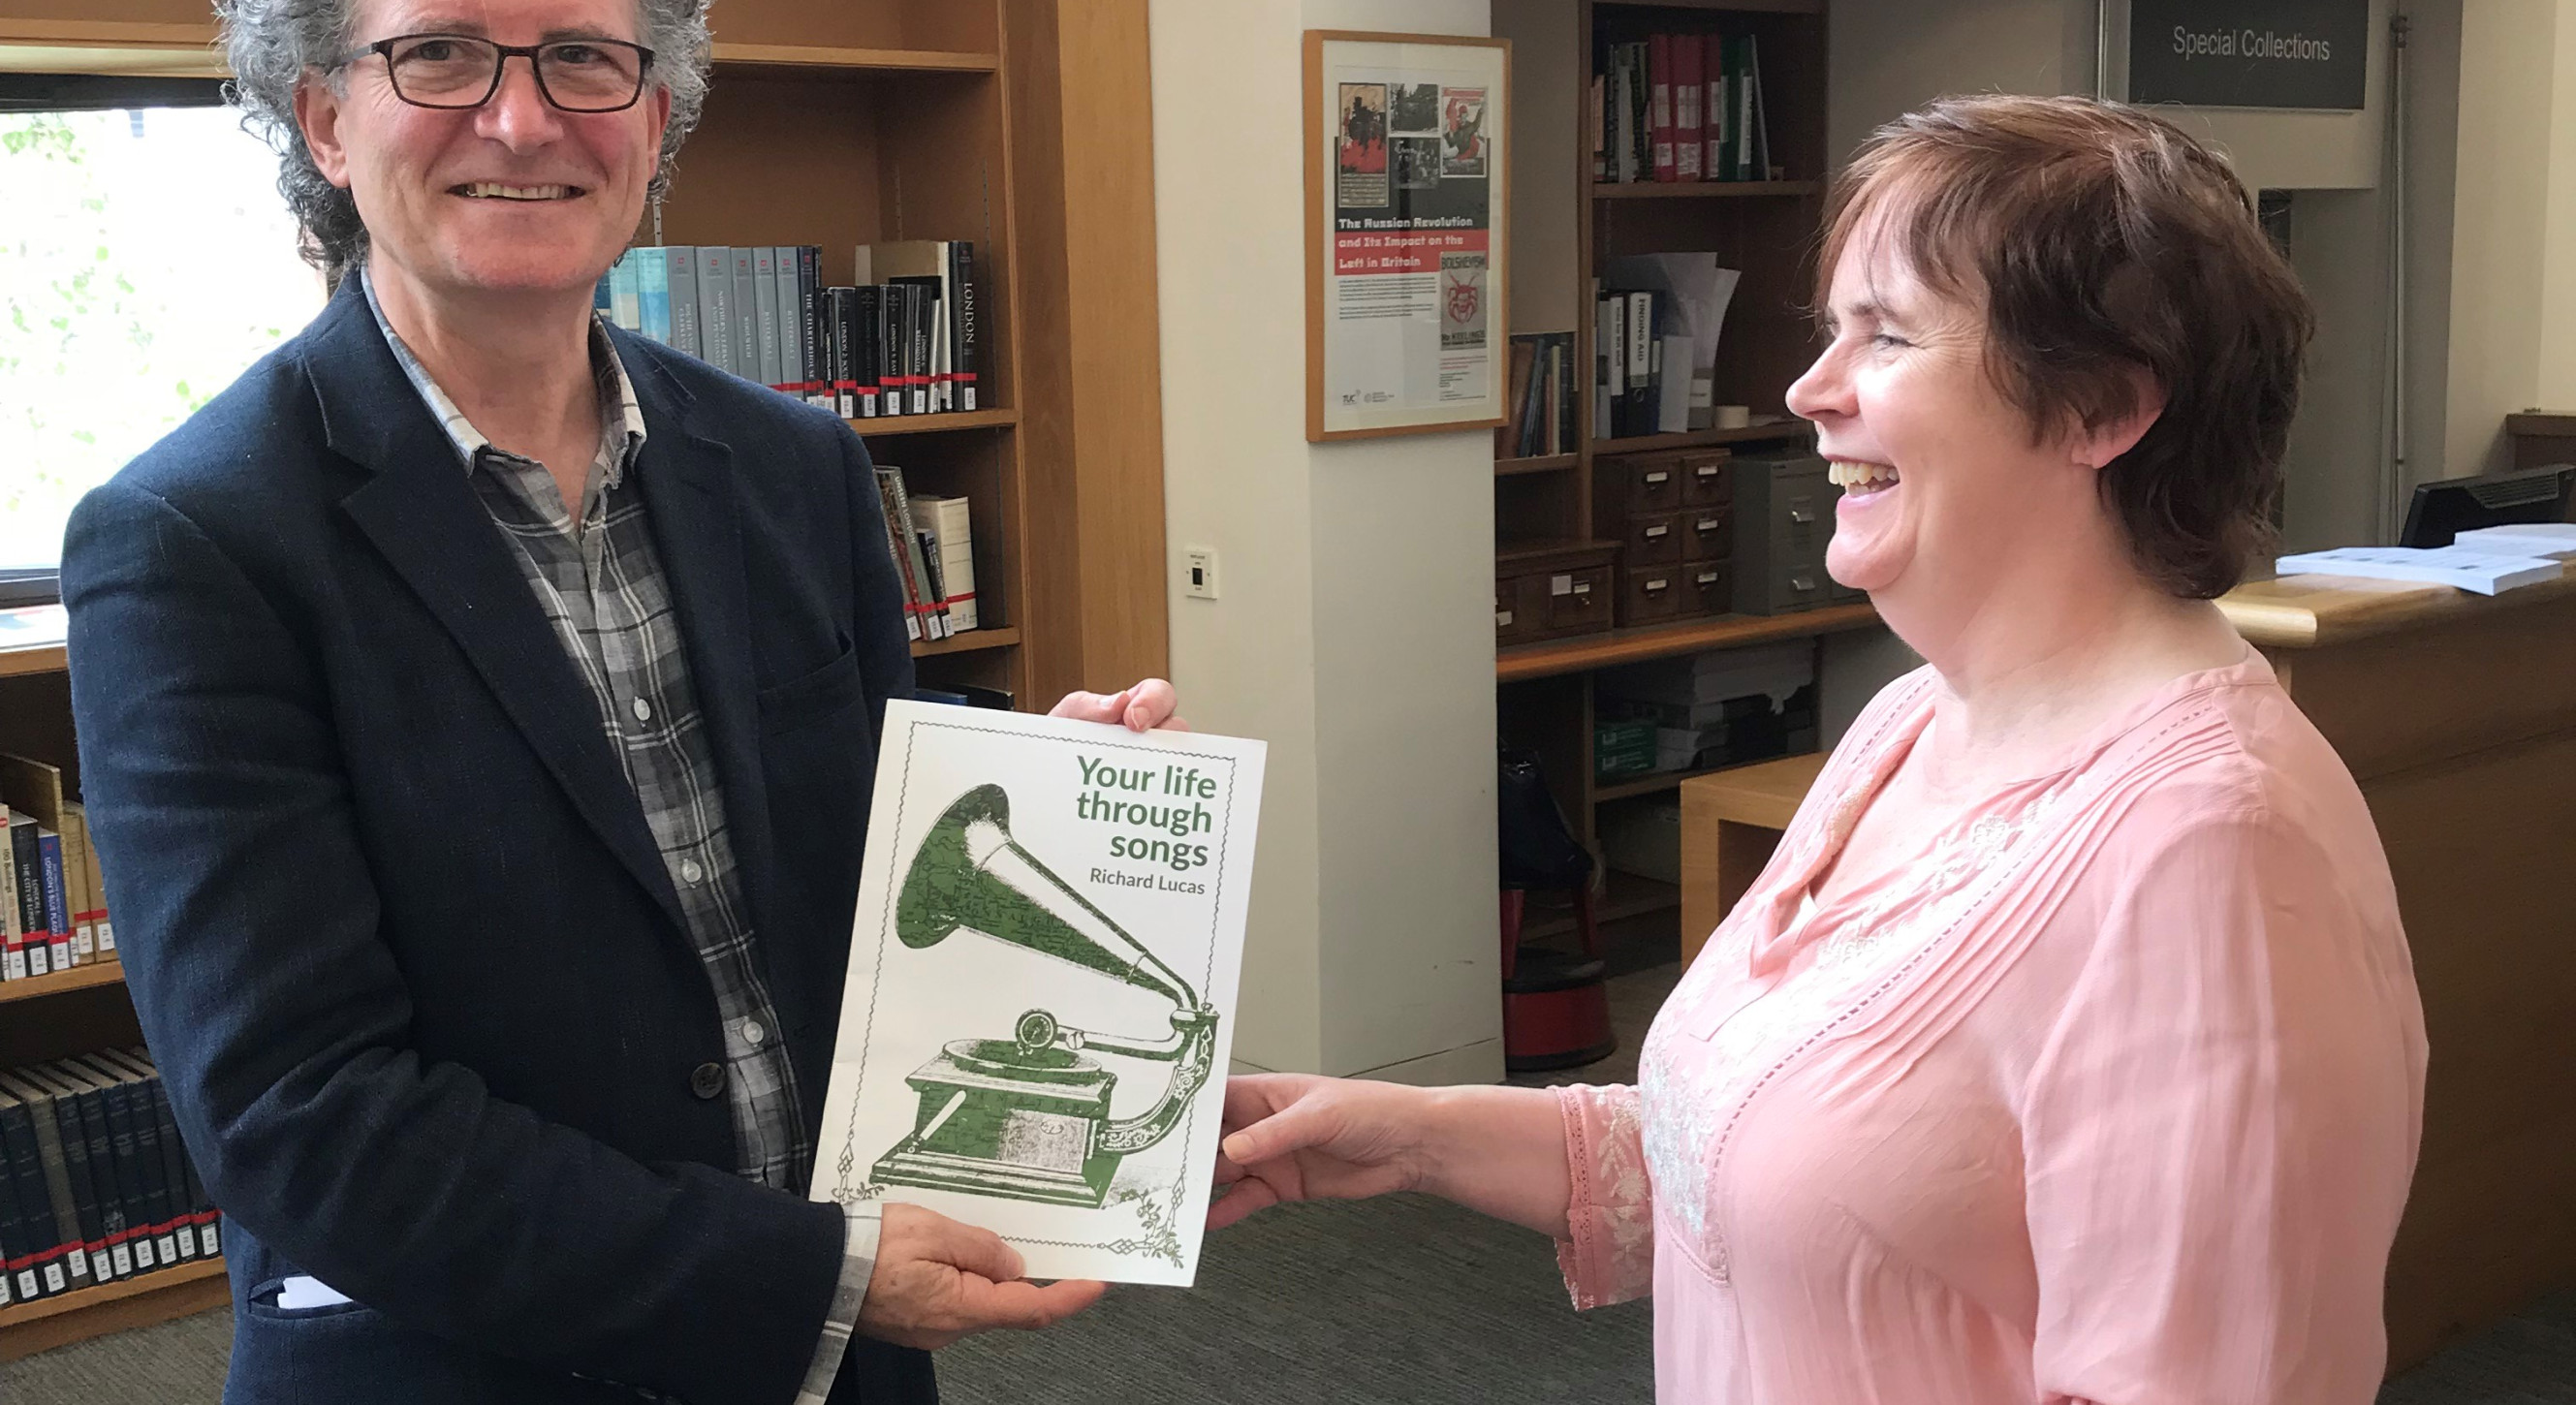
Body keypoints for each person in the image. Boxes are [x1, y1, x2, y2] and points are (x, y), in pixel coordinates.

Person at [1214, 95, 2428, 1404]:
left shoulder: (2212, 855)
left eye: (1887, 334)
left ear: (2101, 409)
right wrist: (1401, 1135)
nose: (1808, 389)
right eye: (1829, 328)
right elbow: (1771, 1164)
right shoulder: (1910, 718)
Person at [59, 1, 1164, 1401]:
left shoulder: (796, 467)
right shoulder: (193, 538)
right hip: (475, 1366)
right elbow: (303, 1117)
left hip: (841, 1369)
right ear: (326, 119)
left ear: (654, 120)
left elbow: (878, 898)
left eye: (585, 56)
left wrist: (1036, 799)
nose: (522, 121)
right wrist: (807, 1278)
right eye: (439, 52)